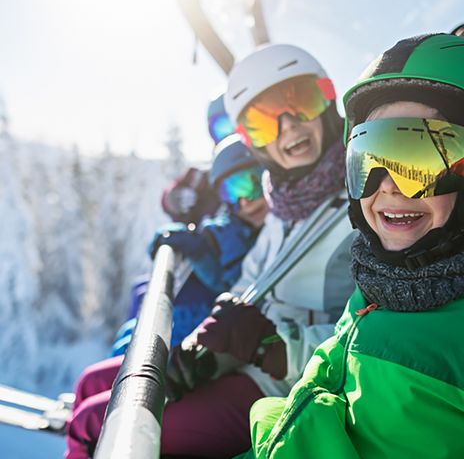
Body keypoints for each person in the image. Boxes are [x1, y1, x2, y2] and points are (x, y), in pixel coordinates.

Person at [238, 33, 464, 459]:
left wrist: (277, 349)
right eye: (369, 158)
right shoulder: (375, 287)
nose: (390, 186)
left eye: (420, 159)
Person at [155, 43, 355, 457]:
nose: (288, 127)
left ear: (327, 98)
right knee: (107, 395)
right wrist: (215, 345)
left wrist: (274, 346)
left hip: (295, 381)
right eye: (264, 124)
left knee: (148, 433)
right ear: (251, 141)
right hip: (254, 365)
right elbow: (249, 283)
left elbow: (367, 331)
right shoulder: (282, 202)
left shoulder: (363, 200)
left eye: (300, 102)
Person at [65, 134, 268, 459]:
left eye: (253, 183)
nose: (246, 200)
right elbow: (192, 212)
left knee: (94, 420)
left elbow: (242, 280)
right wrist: (189, 230)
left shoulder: (274, 227)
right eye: (233, 191)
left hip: (229, 355)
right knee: (90, 382)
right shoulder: (233, 224)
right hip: (209, 344)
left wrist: (203, 253)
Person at [161, 93, 235, 223]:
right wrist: (173, 199)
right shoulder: (201, 178)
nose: (231, 137)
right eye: (222, 127)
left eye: (235, 127)